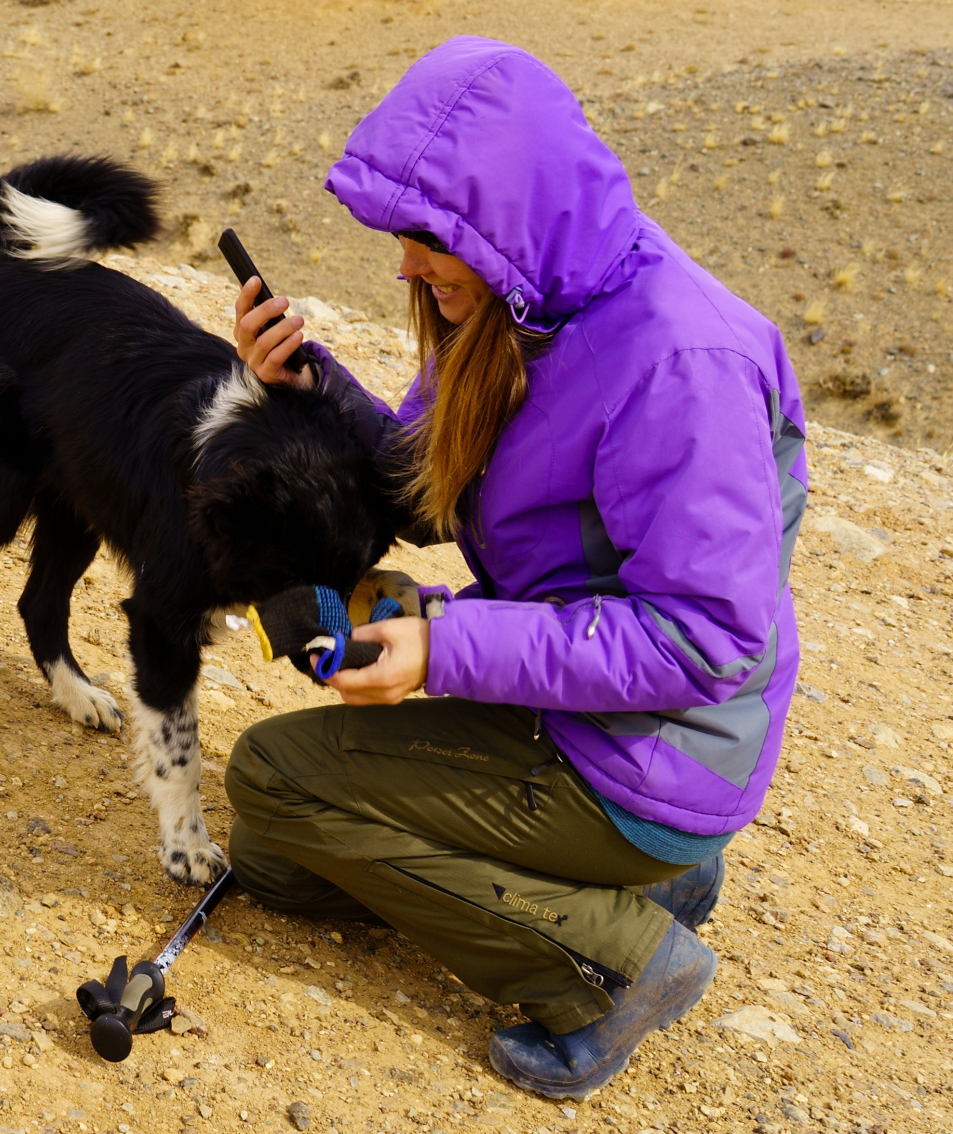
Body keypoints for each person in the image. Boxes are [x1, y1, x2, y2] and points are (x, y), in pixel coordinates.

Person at [225, 36, 805, 1100]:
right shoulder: (521, 302)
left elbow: (702, 639)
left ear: (498, 221)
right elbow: (422, 486)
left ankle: (608, 962)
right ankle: (649, 885)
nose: (404, 263)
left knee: (268, 781)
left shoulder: (679, 362)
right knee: (269, 861)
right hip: (585, 708)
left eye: (424, 238)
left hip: (645, 754)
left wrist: (443, 647)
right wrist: (308, 388)